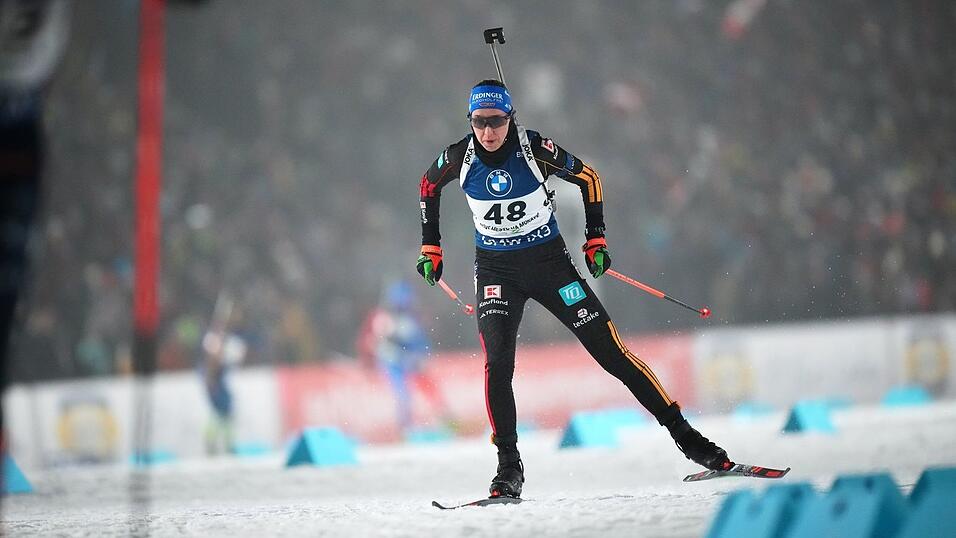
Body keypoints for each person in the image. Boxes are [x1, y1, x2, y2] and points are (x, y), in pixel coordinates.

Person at [415, 79, 731, 498]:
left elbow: (588, 178)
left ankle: (691, 441)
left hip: (550, 266)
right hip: (496, 274)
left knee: (611, 354)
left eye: (496, 121)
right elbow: (427, 186)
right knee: (497, 366)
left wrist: (595, 238)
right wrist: (431, 246)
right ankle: (508, 468)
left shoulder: (533, 149)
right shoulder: (461, 156)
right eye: (479, 122)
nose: (488, 131)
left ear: (511, 118)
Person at [356, 280, 448, 438]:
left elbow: (420, 341)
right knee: (403, 394)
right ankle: (405, 428)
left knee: (429, 389)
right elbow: (369, 342)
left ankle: (444, 420)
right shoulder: (381, 317)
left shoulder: (412, 318)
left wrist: (422, 356)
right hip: (392, 363)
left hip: (411, 361)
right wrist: (372, 354)